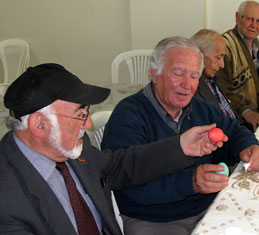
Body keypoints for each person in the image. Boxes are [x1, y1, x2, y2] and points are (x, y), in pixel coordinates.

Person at [0, 63, 227, 235]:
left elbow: (118, 166)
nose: (88, 125)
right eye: (79, 115)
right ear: (40, 124)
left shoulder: (67, 149)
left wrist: (181, 146)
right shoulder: (8, 202)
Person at [101, 36, 259, 235]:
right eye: (178, 73)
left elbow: (234, 131)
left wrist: (249, 147)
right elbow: (124, 180)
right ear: (155, 74)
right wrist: (191, 183)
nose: (187, 85)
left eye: (194, 76)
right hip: (155, 219)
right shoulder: (128, 115)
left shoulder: (201, 110)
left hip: (207, 208)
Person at [217, 1, 259, 132]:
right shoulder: (224, 46)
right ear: (237, 17)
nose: (254, 25)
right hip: (239, 120)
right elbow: (221, 89)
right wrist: (246, 112)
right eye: (250, 19)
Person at [191, 29, 243, 124]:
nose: (222, 65)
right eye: (218, 57)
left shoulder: (211, 78)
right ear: (200, 54)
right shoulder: (192, 89)